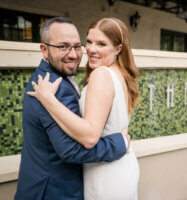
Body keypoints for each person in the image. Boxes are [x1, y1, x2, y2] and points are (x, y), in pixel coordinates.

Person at [15, 17, 130, 200]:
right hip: (53, 192)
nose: (74, 54)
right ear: (44, 50)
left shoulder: (58, 77)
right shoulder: (49, 86)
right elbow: (70, 150)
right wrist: (119, 143)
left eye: (77, 46)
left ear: (118, 49)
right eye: (63, 47)